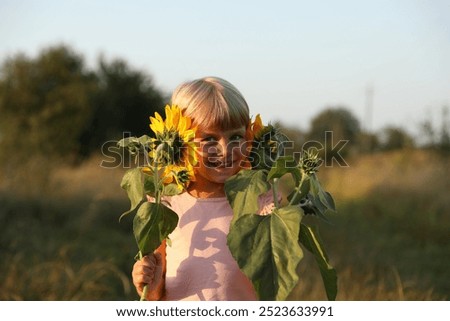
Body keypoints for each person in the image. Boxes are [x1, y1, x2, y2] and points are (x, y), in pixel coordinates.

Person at [131, 76, 275, 301]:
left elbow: (274, 278)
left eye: (236, 136)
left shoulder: (259, 200)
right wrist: (147, 283)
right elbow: (156, 294)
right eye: (209, 139)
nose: (225, 149)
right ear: (181, 139)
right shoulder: (165, 204)